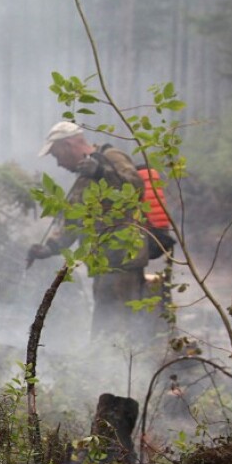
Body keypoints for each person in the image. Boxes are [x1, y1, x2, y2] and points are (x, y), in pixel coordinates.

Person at [26, 121, 149, 341]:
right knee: (104, 327)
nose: (59, 164)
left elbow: (136, 188)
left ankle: (128, 372)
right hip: (103, 263)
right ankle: (103, 370)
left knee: (122, 330)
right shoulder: (84, 177)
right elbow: (75, 219)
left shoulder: (111, 157)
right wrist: (50, 248)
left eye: (57, 156)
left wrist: (102, 172)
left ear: (69, 145)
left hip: (123, 261)